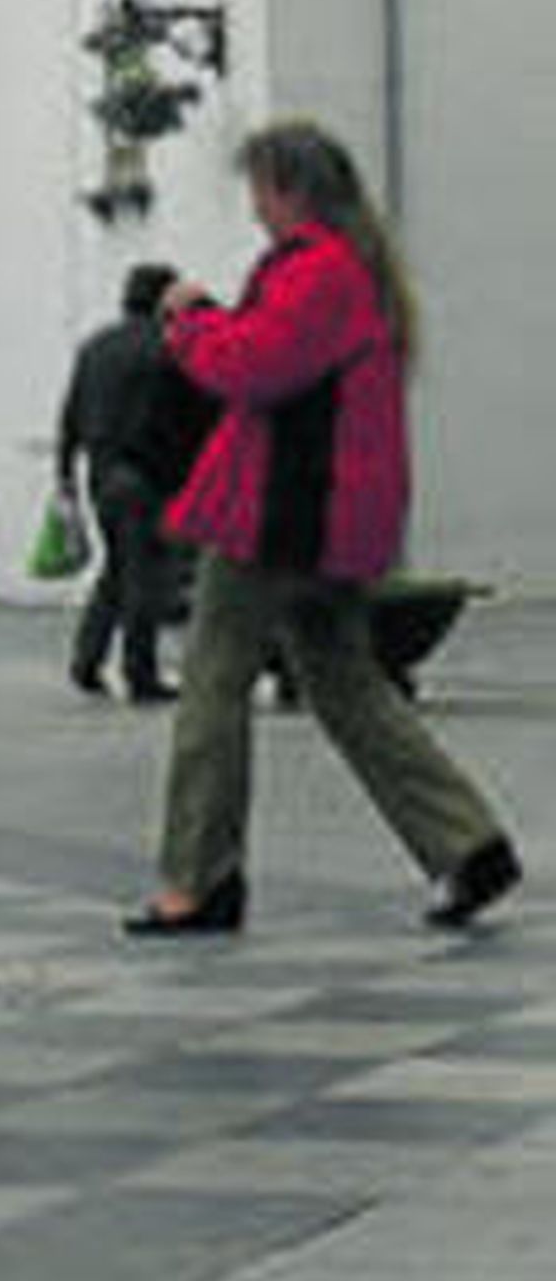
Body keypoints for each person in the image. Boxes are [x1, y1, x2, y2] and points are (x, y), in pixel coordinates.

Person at [124, 119, 523, 938]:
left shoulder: (316, 270)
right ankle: (467, 845)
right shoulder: (357, 271)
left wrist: (192, 323)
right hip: (329, 518)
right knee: (347, 686)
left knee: (212, 684)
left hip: (279, 515)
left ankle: (199, 880)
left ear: (288, 188)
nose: (255, 207)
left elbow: (254, 366)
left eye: (259, 190)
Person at [56, 263, 185, 705]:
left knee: (117, 569)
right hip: (146, 475)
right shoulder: (164, 349)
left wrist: (65, 475)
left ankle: (87, 660)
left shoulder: (95, 347)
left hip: (101, 473)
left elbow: (71, 413)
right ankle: (140, 673)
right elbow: (175, 420)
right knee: (143, 577)